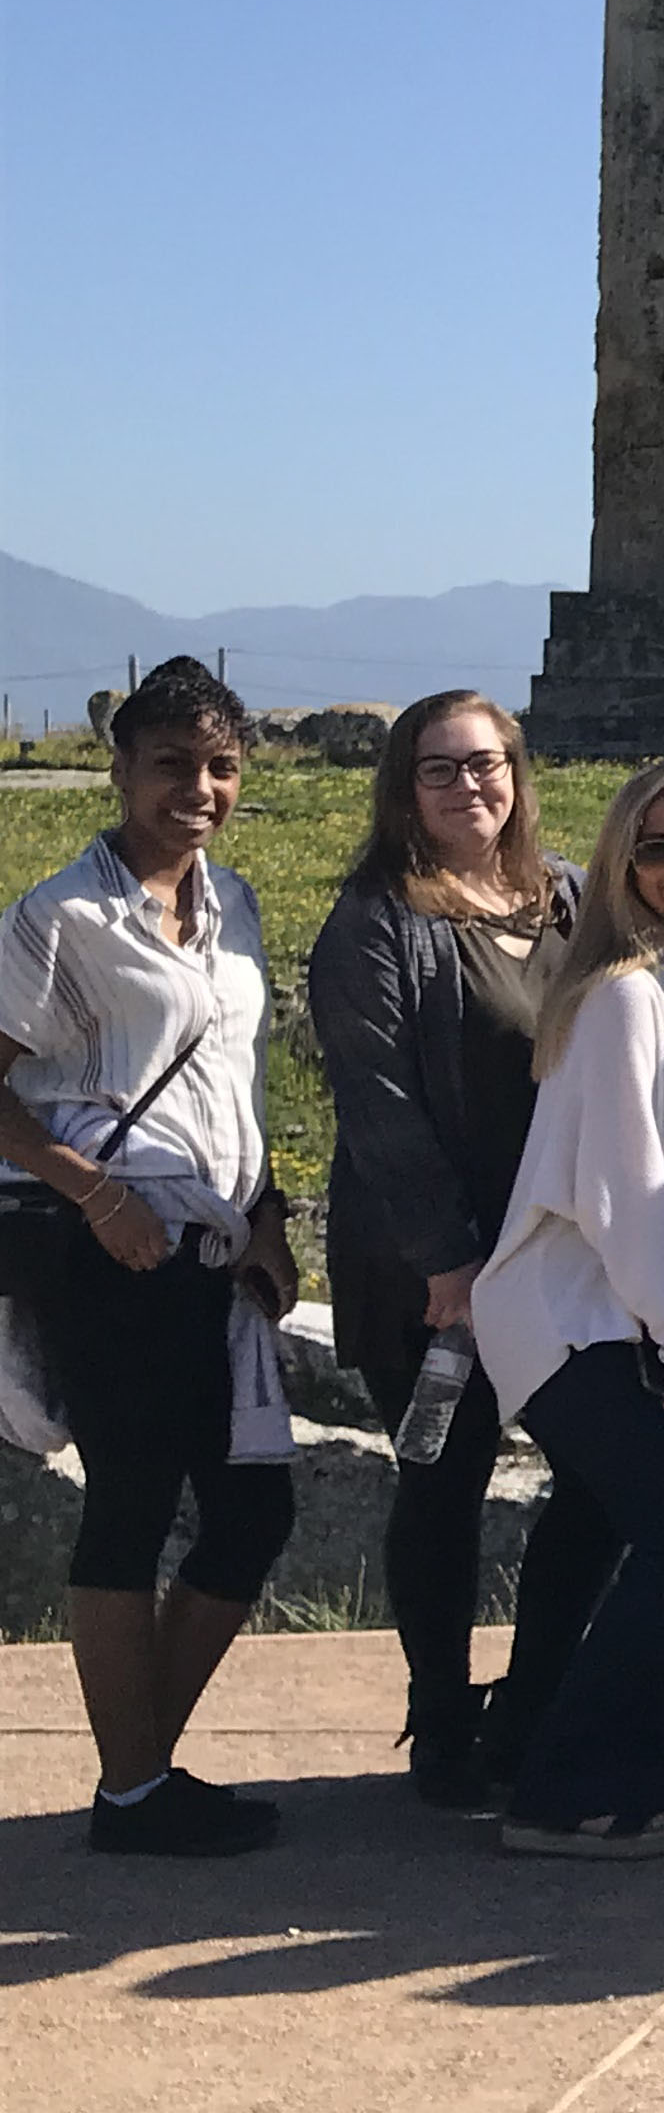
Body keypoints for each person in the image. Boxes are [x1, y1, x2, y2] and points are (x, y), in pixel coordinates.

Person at [0, 660, 298, 1858]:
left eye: (220, 767)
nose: (199, 788)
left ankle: (138, 1765)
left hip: (216, 1249)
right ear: (120, 769)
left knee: (252, 1510)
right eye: (171, 763)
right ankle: (134, 1792)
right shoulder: (58, 917)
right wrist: (100, 1196)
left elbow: (241, 1083)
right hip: (107, 1247)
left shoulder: (239, 908)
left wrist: (270, 1215)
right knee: (131, 1503)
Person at [306, 689, 615, 1810]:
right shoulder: (374, 923)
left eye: (485, 765)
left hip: (560, 1260)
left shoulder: (570, 894)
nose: (468, 787)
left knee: (599, 1480)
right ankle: (441, 1719)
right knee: (444, 1482)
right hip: (435, 1275)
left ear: (518, 773)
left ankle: (531, 1704)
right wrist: (448, 1264)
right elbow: (378, 1106)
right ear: (403, 789)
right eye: (439, 771)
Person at [469, 761, 664, 1860]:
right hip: (574, 1308)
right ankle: (575, 1784)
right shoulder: (627, 993)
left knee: (595, 1526)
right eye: (660, 846)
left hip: (623, 1306)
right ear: (620, 861)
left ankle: (534, 1736)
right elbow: (625, 1196)